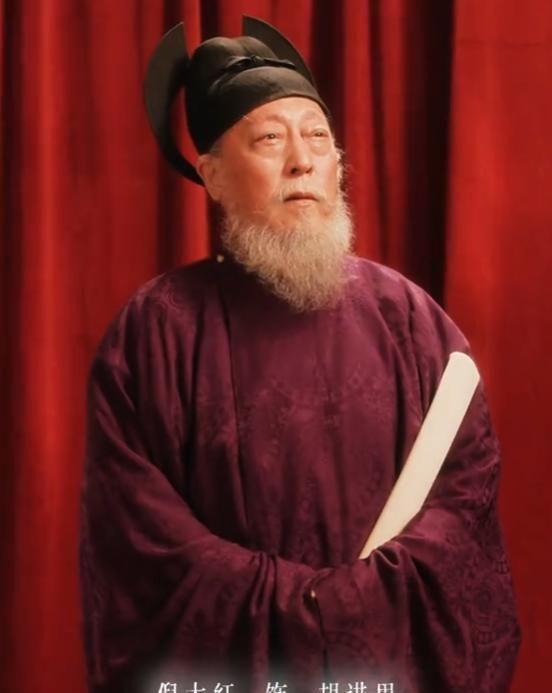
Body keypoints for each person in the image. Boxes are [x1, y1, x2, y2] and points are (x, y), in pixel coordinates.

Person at [79, 17, 521, 693]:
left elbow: (466, 492)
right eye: (268, 139)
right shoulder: (156, 331)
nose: (301, 161)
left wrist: (371, 594)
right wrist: (302, 602)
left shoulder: (409, 320)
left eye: (318, 138)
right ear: (213, 176)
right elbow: (139, 533)